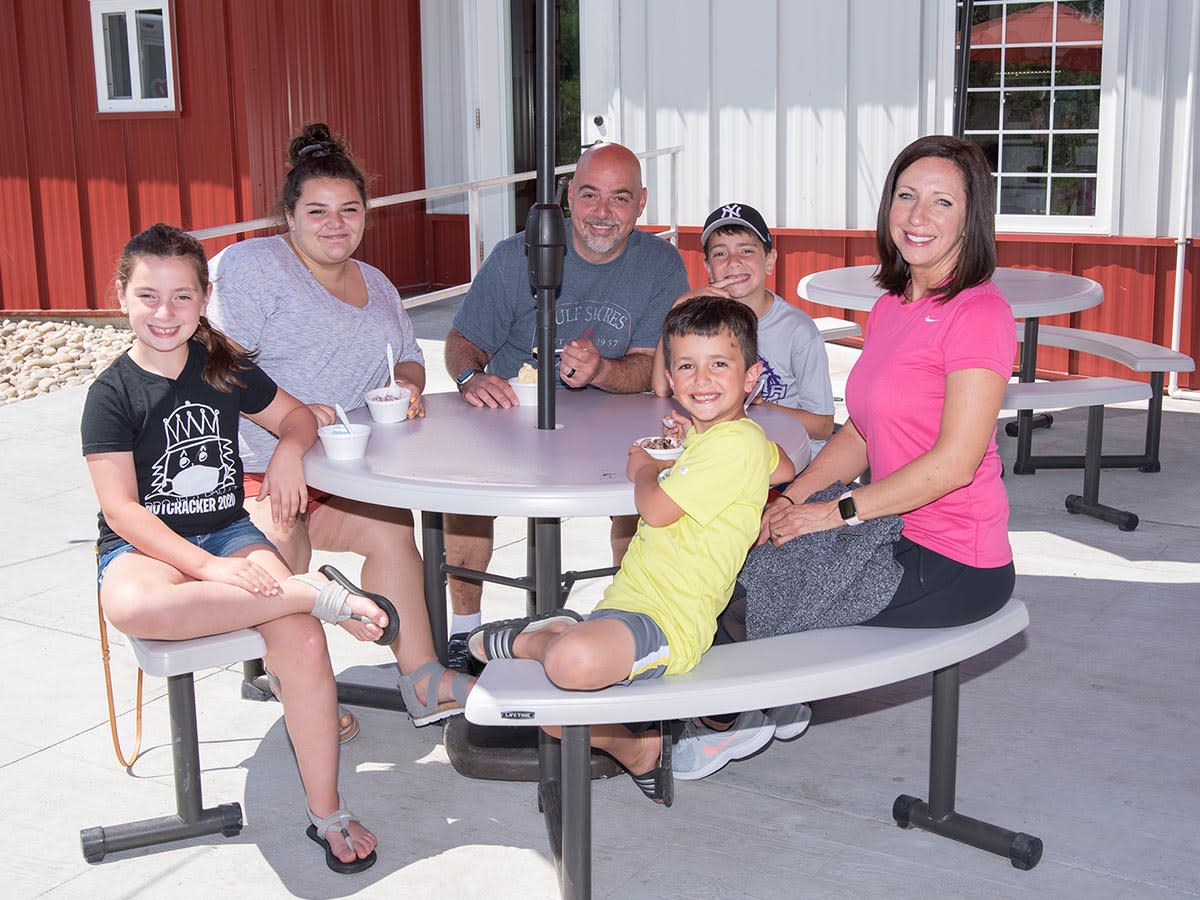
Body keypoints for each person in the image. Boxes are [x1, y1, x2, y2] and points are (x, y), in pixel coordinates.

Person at [673, 134, 1018, 779]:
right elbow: (860, 432)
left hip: (950, 555)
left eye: (941, 202)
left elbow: (953, 464)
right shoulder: (891, 306)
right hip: (888, 525)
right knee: (730, 550)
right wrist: (793, 497)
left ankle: (726, 722)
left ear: (971, 219)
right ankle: (765, 699)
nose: (918, 217)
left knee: (751, 592)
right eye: (906, 197)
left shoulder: (980, 314)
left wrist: (836, 515)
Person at [83, 223, 394, 873]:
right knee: (134, 606)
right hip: (147, 545)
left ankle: (327, 811)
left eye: (181, 297)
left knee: (303, 641)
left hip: (228, 527)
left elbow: (300, 418)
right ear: (121, 297)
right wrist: (207, 567)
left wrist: (286, 453)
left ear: (204, 299)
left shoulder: (222, 365)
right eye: (148, 296)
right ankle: (310, 592)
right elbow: (122, 508)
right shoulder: (110, 395)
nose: (164, 313)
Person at [467, 296, 796, 805]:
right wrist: (695, 443)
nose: (701, 379)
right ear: (670, 375)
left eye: (719, 365)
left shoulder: (737, 445)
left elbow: (658, 509)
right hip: (630, 602)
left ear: (751, 376)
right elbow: (784, 468)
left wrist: (644, 465)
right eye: (686, 365)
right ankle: (633, 742)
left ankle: (541, 638)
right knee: (549, 710)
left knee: (565, 674)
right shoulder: (730, 439)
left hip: (673, 622)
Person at [206, 123, 471, 728]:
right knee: (284, 522)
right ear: (289, 216)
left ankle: (424, 678)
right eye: (317, 210)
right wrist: (292, 424)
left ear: (365, 216)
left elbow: (407, 355)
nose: (335, 224)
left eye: (349, 210)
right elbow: (218, 365)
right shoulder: (253, 267)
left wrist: (406, 384)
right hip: (252, 466)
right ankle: (299, 683)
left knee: (391, 531)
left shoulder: (375, 283)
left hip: (345, 469)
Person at [442, 141, 691, 668]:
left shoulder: (660, 264)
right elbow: (463, 341)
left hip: (611, 428)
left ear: (641, 203)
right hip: (511, 421)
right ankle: (462, 637)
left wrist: (601, 370)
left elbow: (650, 369)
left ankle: (627, 626)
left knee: (644, 493)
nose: (603, 213)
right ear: (568, 197)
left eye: (619, 199)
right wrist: (471, 376)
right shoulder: (515, 257)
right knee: (461, 492)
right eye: (589, 196)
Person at [652, 202, 834, 443]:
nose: (733, 261)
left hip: (785, 455)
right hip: (724, 448)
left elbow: (822, 425)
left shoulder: (798, 330)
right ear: (708, 267)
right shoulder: (702, 323)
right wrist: (677, 309)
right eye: (720, 253)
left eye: (746, 250)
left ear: (770, 260)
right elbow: (662, 389)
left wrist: (759, 406)